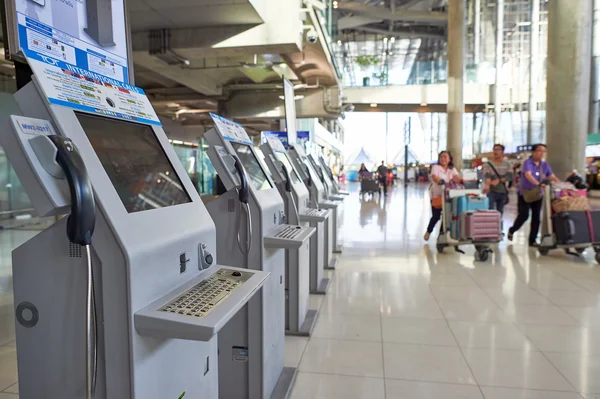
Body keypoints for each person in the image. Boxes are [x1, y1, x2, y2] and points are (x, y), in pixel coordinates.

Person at [508, 144, 559, 247]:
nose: (542, 153)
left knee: (536, 218)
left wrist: (561, 184)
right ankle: (512, 230)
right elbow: (528, 174)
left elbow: (552, 176)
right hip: (525, 194)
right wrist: (538, 184)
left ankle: (532, 240)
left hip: (538, 194)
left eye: (544, 151)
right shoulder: (527, 163)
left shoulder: (544, 165)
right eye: (539, 151)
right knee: (524, 215)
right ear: (533, 152)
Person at [424, 151, 462, 241]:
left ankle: (441, 236)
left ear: (449, 159)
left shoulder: (452, 169)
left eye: (445, 157)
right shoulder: (436, 167)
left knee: (447, 217)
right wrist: (441, 182)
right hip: (437, 195)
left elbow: (457, 177)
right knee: (436, 216)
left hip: (449, 196)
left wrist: (459, 179)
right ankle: (428, 231)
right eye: (441, 157)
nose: (443, 159)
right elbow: (434, 177)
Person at [483, 144, 513, 215]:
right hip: (491, 191)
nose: (495, 151)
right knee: (490, 210)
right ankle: (490, 225)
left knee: (500, 211)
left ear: (502, 152)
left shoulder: (507, 164)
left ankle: (499, 225)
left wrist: (499, 180)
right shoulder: (488, 164)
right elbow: (487, 177)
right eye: (494, 149)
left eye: (498, 150)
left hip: (503, 191)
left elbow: (510, 176)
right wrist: (487, 186)